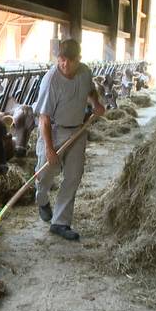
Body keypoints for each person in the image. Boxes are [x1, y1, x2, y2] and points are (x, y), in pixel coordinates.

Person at [32, 39, 105, 240]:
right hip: (53, 130)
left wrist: (96, 103)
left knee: (73, 175)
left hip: (78, 130)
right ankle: (42, 198)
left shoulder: (85, 72)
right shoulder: (51, 81)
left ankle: (60, 222)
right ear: (58, 58)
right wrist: (49, 149)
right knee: (47, 172)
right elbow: (44, 119)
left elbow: (90, 89)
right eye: (62, 60)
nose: (65, 64)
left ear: (78, 60)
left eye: (70, 61)